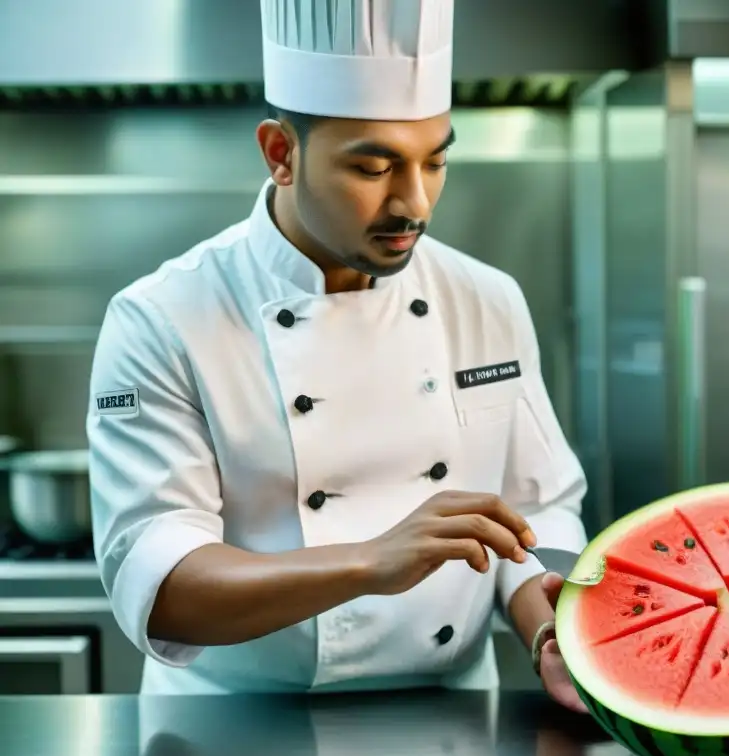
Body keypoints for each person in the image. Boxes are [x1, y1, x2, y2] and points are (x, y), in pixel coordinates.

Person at [85, 0, 588, 711]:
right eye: (374, 167)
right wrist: (368, 562)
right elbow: (161, 584)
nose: (414, 203)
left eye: (435, 161)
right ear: (280, 153)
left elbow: (535, 514)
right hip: (232, 729)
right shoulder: (163, 319)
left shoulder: (486, 298)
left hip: (449, 720)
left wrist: (551, 634)